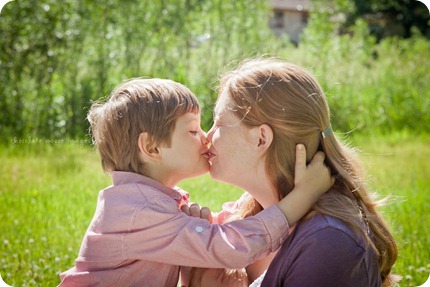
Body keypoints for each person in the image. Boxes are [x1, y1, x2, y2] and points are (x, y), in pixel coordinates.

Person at [57, 78, 333, 287]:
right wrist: (301, 198)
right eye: (192, 129)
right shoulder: (139, 211)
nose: (206, 137)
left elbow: (213, 234)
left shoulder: (142, 202)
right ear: (151, 147)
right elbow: (229, 248)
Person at [188, 58, 398, 287]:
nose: (208, 136)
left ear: (261, 139)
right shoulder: (250, 215)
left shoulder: (327, 242)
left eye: (219, 123)